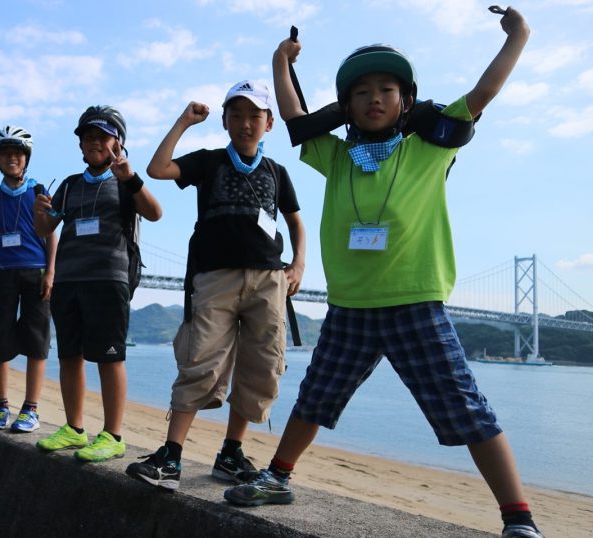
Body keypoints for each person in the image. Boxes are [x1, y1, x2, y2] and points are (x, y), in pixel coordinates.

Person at [224, 9, 542, 538]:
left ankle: (519, 518)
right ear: (346, 107)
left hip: (415, 301)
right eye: (362, 91)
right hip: (350, 304)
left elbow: (481, 96)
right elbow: (296, 114)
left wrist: (519, 36)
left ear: (406, 101)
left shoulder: (430, 149)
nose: (374, 98)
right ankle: (278, 477)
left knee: (467, 408)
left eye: (387, 89)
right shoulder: (337, 156)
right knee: (315, 398)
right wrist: (280, 61)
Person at [125, 80, 306, 492]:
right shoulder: (208, 162)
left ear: (269, 123)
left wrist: (298, 263)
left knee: (259, 366)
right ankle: (171, 457)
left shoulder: (278, 172)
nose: (245, 124)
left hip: (268, 279)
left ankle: (231, 453)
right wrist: (183, 122)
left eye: (254, 116)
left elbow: (295, 221)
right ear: (225, 121)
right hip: (213, 277)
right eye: (237, 115)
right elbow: (157, 169)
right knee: (199, 360)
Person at [33, 105, 162, 462]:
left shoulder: (125, 182)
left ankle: (113, 435)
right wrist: (38, 213)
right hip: (69, 280)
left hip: (109, 280)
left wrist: (131, 177)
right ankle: (75, 429)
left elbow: (154, 213)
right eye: (87, 136)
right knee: (69, 355)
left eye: (102, 136)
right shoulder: (71, 185)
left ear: (118, 142)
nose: (93, 142)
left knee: (109, 357)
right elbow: (46, 230)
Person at [0, 125, 57, 434]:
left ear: (26, 159)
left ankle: (31, 409)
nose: (12, 158)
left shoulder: (39, 191)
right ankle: (0, 406)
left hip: (35, 273)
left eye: (18, 153)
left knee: (36, 343)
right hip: (2, 273)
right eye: (6, 153)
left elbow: (51, 234)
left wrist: (50, 272)